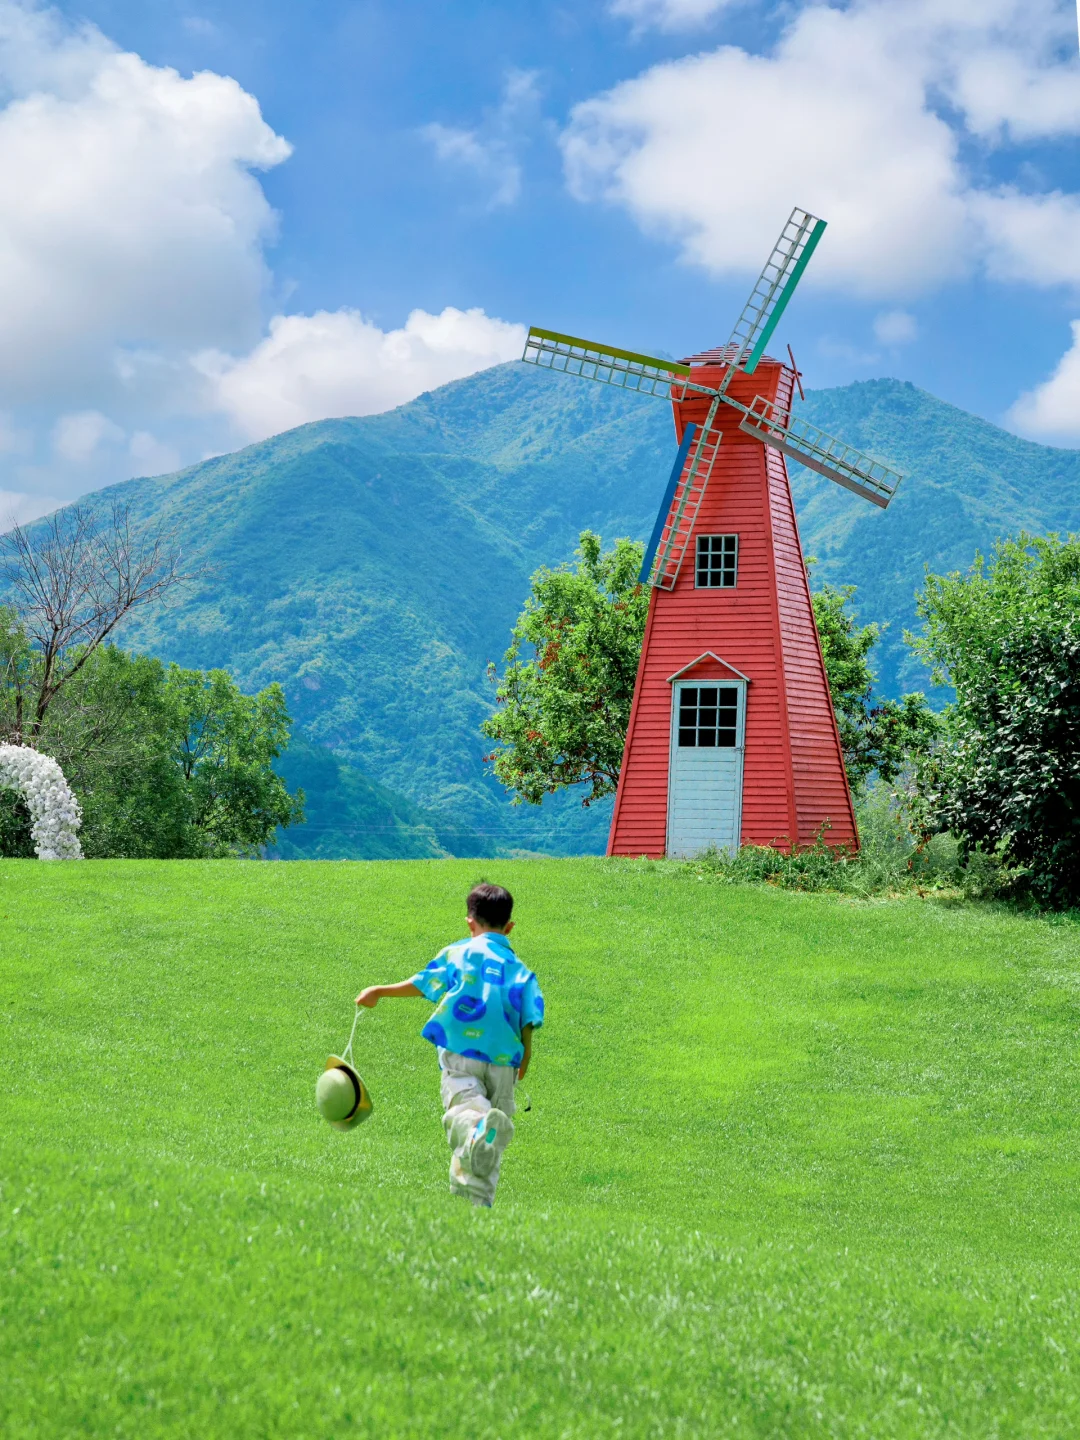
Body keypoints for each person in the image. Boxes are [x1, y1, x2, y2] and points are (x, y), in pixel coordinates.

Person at [355, 882, 544, 1207]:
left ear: (470, 922)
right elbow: (529, 1017)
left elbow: (424, 982)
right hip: (505, 1062)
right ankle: (479, 1204)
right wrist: (525, 1056)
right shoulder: (522, 971)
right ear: (509, 927)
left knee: (465, 1111)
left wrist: (379, 991)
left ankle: (475, 1126)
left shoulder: (460, 952)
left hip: (461, 1050)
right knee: (491, 1142)